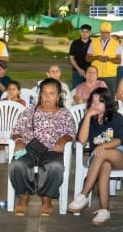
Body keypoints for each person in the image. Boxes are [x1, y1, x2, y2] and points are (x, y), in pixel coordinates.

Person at [8, 78, 75, 218]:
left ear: (58, 96)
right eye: (44, 93)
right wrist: (19, 141)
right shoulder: (30, 111)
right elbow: (16, 130)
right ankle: (24, 196)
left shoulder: (65, 113)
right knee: (16, 164)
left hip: (52, 150)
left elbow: (71, 132)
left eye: (51, 93)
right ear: (40, 95)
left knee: (55, 167)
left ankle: (46, 199)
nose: (47, 97)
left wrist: (63, 139)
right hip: (29, 148)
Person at [68, 85, 123, 224]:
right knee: (105, 166)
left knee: (103, 154)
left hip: (120, 154)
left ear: (107, 103)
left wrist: (103, 146)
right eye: (93, 102)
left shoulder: (116, 117)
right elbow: (82, 140)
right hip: (97, 158)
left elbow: (118, 140)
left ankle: (83, 195)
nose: (95, 105)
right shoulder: (88, 119)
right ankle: (104, 210)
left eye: (99, 102)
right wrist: (88, 116)